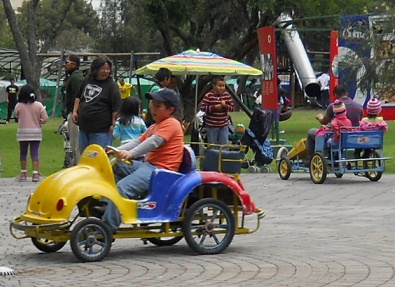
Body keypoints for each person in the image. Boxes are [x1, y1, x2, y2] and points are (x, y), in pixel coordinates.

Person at [100, 88, 184, 233]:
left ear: (171, 109)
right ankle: (108, 205)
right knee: (117, 166)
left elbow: (153, 142)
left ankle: (106, 229)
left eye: (158, 106)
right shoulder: (154, 126)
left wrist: (130, 154)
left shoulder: (172, 123)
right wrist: (115, 150)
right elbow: (138, 141)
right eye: (152, 104)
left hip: (161, 172)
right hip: (148, 166)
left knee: (122, 188)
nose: (153, 108)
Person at [72, 56, 122, 154]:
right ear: (96, 69)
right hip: (84, 127)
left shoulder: (112, 86)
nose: (105, 71)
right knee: (85, 156)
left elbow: (116, 107)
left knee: (97, 157)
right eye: (103, 69)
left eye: (107, 69)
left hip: (101, 130)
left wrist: (114, 124)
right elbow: (78, 96)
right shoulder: (87, 80)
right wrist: (75, 111)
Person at [306, 84, 363, 159]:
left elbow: (324, 121)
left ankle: (311, 159)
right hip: (352, 136)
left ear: (335, 95)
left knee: (311, 132)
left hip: (336, 136)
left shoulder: (334, 106)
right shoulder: (359, 106)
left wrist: (319, 117)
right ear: (347, 93)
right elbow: (359, 121)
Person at [14, 84, 48, 182]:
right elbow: (45, 118)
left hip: (23, 133)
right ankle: (35, 174)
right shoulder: (38, 105)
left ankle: (23, 173)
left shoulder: (19, 105)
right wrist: (40, 121)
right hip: (36, 133)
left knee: (23, 153)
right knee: (35, 153)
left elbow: (16, 115)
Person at [200, 76, 235, 145]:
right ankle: (213, 155)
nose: (221, 88)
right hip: (211, 125)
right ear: (214, 86)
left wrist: (225, 106)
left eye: (223, 86)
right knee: (212, 145)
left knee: (224, 144)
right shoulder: (209, 96)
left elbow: (232, 108)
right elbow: (203, 108)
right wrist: (214, 107)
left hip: (224, 125)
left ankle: (223, 155)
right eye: (219, 86)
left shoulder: (226, 95)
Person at [64, 54, 84, 165]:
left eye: (67, 63)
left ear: (74, 64)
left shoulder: (76, 78)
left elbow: (79, 96)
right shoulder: (74, 76)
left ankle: (79, 166)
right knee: (74, 143)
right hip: (73, 113)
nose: (65, 65)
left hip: (76, 114)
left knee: (76, 143)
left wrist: (76, 112)